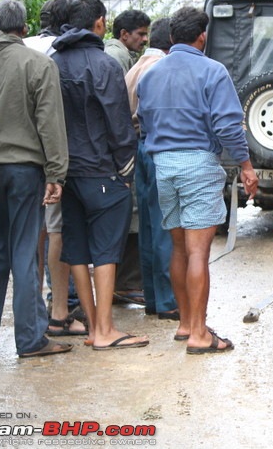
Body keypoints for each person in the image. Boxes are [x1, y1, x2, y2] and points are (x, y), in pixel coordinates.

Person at [137, 6, 258, 354]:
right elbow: (227, 126)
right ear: (202, 36)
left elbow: (143, 123)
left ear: (173, 36)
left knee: (177, 247)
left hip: (163, 165)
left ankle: (185, 323)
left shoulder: (150, 74)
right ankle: (200, 335)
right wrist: (246, 166)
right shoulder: (213, 71)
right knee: (198, 252)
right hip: (198, 165)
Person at [0, 0, 72, 358]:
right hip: (25, 169)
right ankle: (31, 340)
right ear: (24, 29)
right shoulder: (37, 63)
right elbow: (50, 123)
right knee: (25, 251)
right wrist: (56, 171)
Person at [51, 0, 148, 351]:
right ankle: (105, 330)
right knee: (106, 250)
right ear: (100, 23)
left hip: (67, 173)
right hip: (103, 172)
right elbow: (119, 126)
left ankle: (94, 326)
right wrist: (125, 170)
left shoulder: (53, 62)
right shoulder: (104, 65)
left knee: (76, 248)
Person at [25, 0, 87, 338]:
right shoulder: (62, 52)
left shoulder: (21, 47)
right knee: (57, 230)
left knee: (32, 232)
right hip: (53, 155)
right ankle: (59, 311)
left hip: (18, 153)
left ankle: (30, 306)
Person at [124, 18, 178, 320]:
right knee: (164, 227)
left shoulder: (136, 67)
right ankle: (169, 300)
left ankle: (154, 298)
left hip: (139, 147)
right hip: (157, 146)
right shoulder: (161, 70)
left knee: (147, 226)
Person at [105, 9, 151, 306]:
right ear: (124, 34)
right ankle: (126, 283)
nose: (144, 40)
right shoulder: (118, 58)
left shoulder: (119, 55)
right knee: (131, 214)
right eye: (140, 34)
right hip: (120, 150)